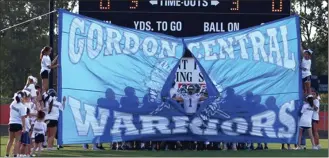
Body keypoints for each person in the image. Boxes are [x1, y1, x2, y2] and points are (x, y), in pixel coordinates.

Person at [5, 91, 28, 157]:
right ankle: (15, 155)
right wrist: (24, 127)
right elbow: (23, 117)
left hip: (11, 123)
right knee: (17, 141)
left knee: (10, 140)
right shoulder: (22, 106)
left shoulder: (12, 103)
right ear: (22, 97)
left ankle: (7, 155)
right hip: (18, 124)